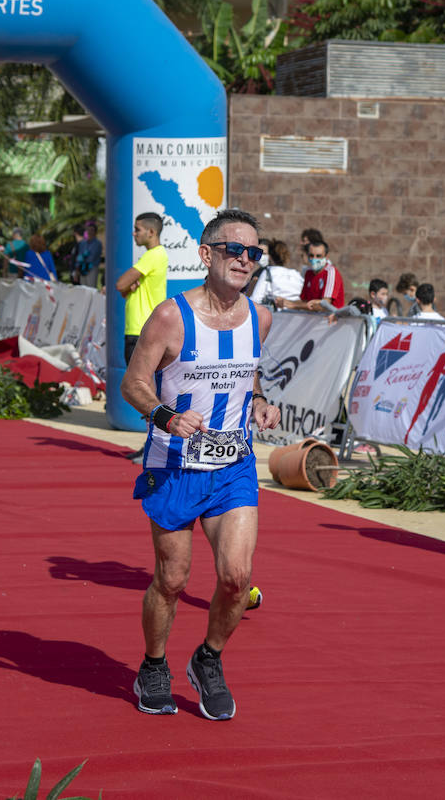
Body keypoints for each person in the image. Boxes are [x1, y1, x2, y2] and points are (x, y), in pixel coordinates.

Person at [120, 208, 280, 720]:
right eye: (236, 249)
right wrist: (166, 416)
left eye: (254, 253)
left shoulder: (260, 316)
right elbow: (133, 383)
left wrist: (258, 400)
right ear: (207, 254)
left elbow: (247, 374)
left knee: (237, 576)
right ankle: (153, 664)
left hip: (233, 466)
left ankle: (208, 658)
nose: (246, 260)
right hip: (173, 466)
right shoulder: (172, 316)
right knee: (172, 580)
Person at [117, 212, 168, 363]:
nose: (134, 233)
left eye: (137, 229)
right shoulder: (156, 255)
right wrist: (128, 287)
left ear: (151, 232)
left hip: (140, 330)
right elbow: (124, 290)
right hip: (142, 330)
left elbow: (119, 284)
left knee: (136, 384)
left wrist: (126, 285)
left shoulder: (153, 255)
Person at [275, 237, 344, 312]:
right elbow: (304, 302)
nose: (314, 259)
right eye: (311, 256)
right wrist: (286, 302)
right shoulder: (308, 273)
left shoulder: (331, 272)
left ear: (326, 257)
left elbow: (325, 305)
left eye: (318, 256)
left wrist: (293, 305)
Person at [248, 239, 302, 306]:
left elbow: (255, 299)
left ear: (270, 256)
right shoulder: (296, 274)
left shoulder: (267, 273)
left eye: (264, 254)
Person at [75, 221, 103, 288]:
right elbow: (79, 257)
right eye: (88, 230)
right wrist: (77, 269)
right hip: (82, 268)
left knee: (91, 289)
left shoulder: (97, 244)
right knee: (83, 289)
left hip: (92, 269)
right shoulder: (83, 243)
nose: (89, 232)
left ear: (95, 232)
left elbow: (92, 258)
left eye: (91, 230)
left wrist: (83, 257)